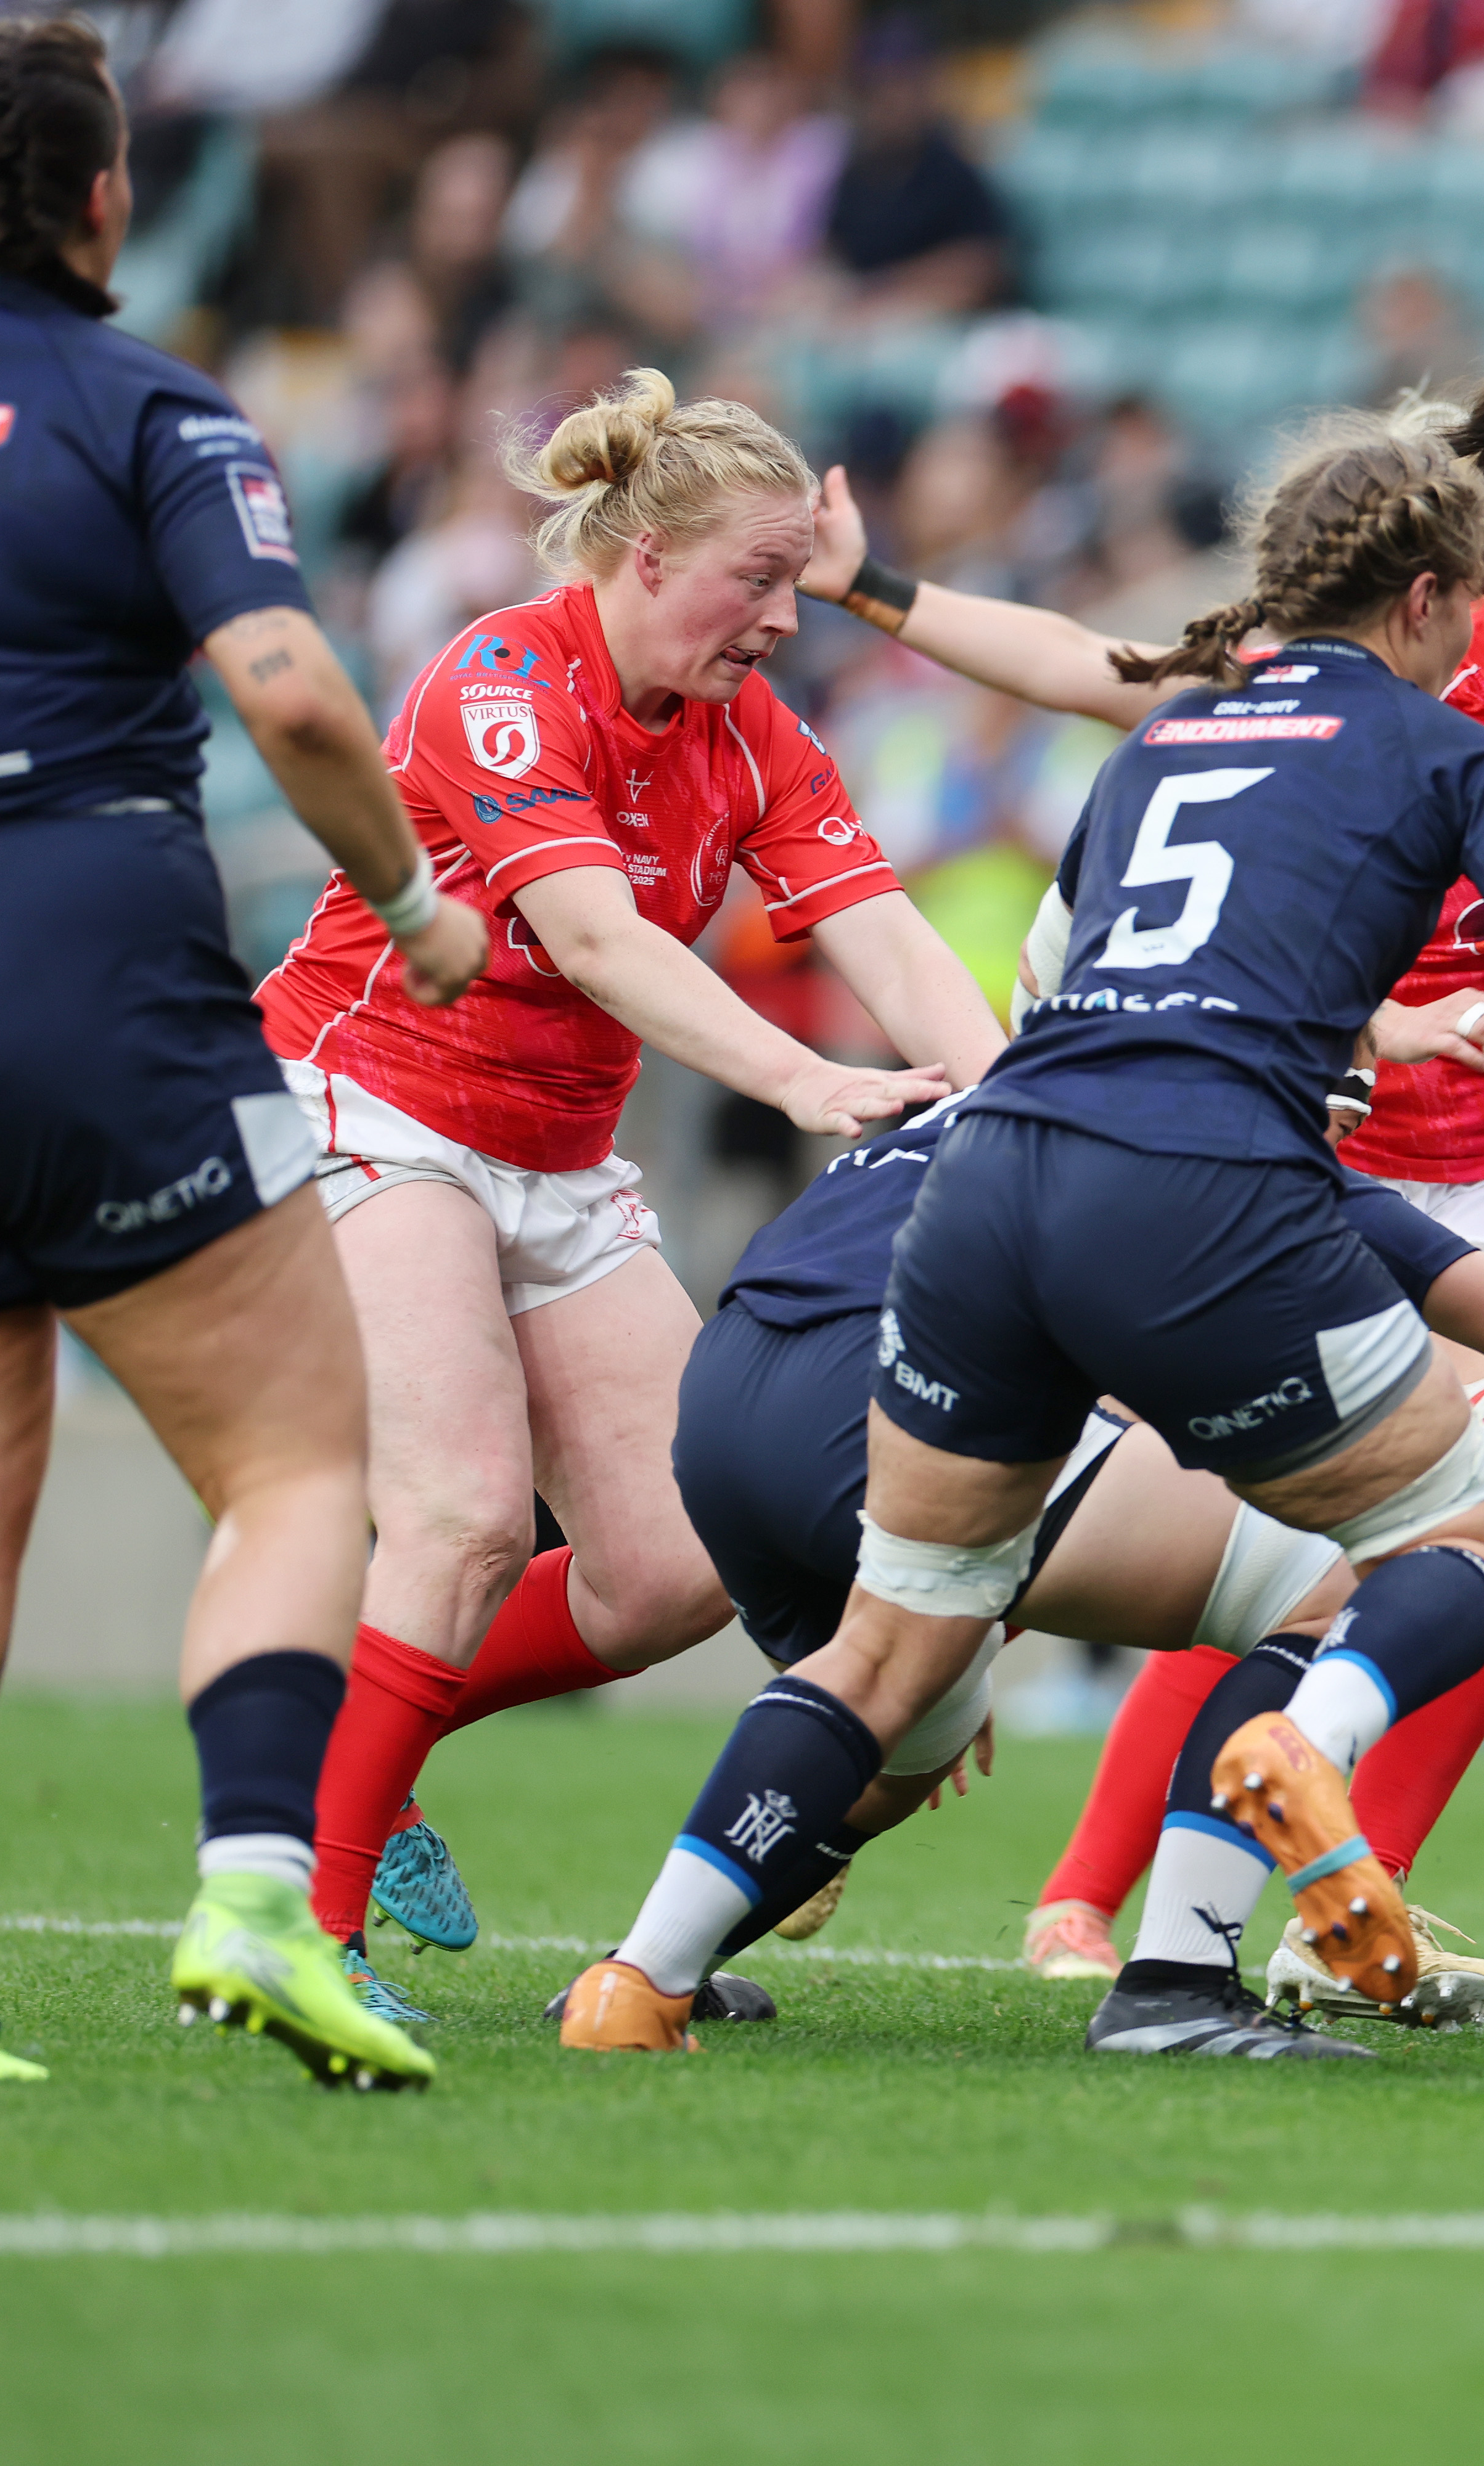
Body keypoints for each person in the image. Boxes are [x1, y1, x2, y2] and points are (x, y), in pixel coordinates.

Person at [551, 403, 1484, 2058]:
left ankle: (636, 1980)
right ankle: (1195, 1944)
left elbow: (1071, 975)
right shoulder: (1455, 747)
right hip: (1206, 1188)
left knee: (899, 1646)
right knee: (1464, 1544)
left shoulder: (1166, 744)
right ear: (1434, 602)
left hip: (981, 1175)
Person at [0, 18, 485, 2089]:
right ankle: (254, 1895)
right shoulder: (138, 399)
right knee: (298, 1460)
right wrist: (415, 905)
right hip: (61, 942)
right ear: (101, 197)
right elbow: (296, 696)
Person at [256, 367, 999, 2017]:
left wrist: (1030, 1105)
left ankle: (350, 1724)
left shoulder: (750, 733)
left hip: (558, 1154)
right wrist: (809, 1084)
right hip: (372, 1106)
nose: (786, 621)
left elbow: (882, 932)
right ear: (645, 557)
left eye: (799, 585)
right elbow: (597, 935)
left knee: (675, 1566)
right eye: (760, 579)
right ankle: (305, 1942)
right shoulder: (503, 679)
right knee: (456, 1514)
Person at [652, 1084, 1484, 2038]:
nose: (1357, 1104)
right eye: (1346, 1072)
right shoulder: (1232, 1134)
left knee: (904, 1712)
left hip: (726, 1396)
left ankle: (641, 1977)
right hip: (886, 1421)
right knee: (1418, 1542)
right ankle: (1184, 1972)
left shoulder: (1024, 1070)